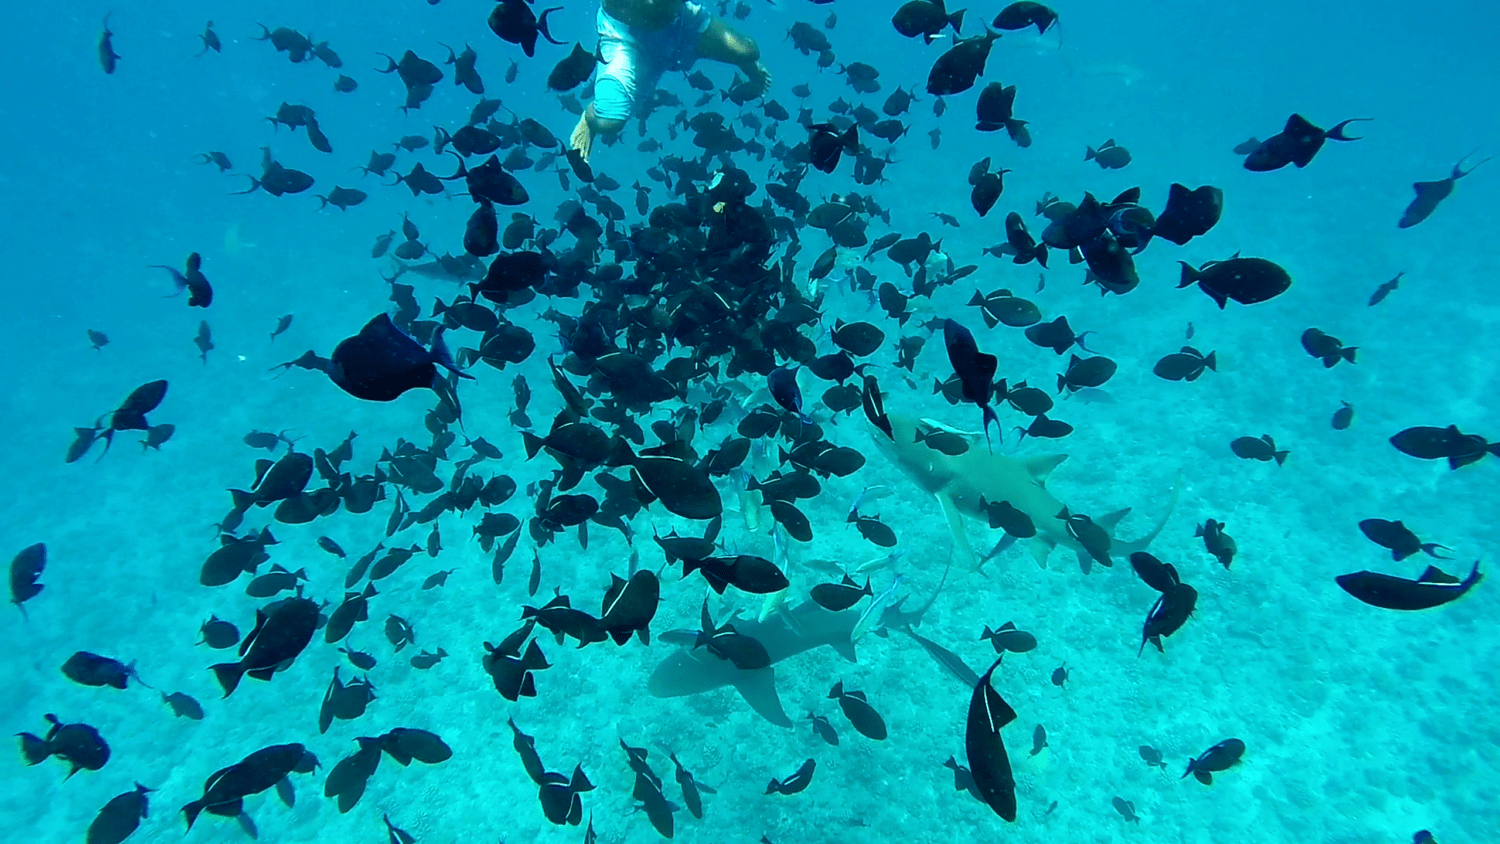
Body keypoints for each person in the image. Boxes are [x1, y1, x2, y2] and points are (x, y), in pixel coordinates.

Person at [570, 0, 772, 162]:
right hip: (626, 38)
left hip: (680, 24)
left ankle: (741, 60)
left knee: (748, 51)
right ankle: (590, 116)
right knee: (608, 123)